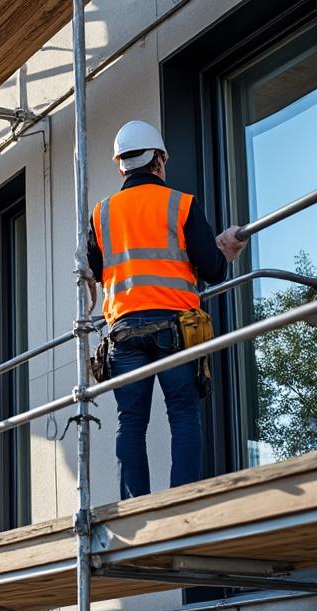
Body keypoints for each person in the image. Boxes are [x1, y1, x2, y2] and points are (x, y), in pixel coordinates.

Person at [85, 119, 247, 499]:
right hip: (175, 327)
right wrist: (226, 247)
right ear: (158, 160)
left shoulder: (102, 213)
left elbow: (94, 270)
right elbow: (213, 270)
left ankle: (135, 505)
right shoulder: (181, 204)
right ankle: (183, 502)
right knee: (183, 414)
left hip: (123, 333)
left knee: (131, 422)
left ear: (120, 165)